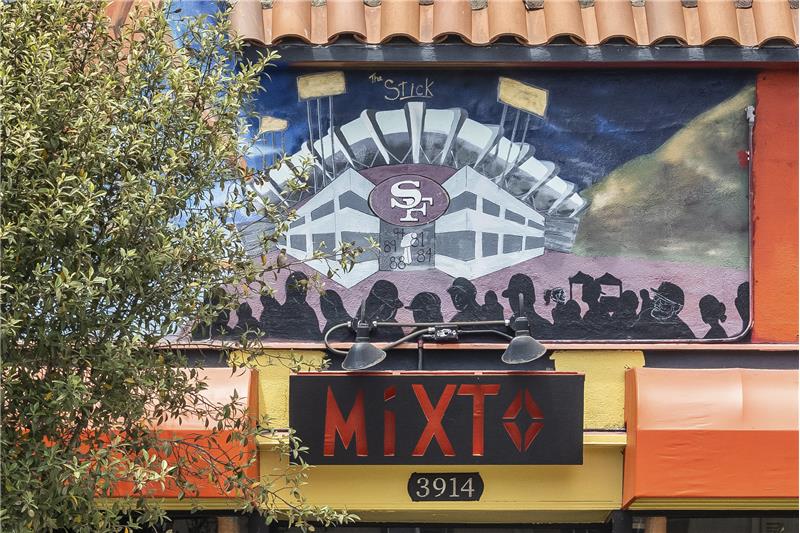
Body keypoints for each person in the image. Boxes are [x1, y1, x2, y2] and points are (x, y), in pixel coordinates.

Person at [631, 282, 695, 340]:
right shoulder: (646, 314)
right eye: (656, 298)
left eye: (663, 301)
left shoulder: (681, 329)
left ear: (676, 307)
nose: (656, 303)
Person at [501, 273, 552, 338]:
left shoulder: (542, 326)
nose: (511, 301)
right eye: (511, 297)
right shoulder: (509, 325)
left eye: (514, 297)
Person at [279, 272, 321, 340]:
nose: (303, 290)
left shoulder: (309, 312)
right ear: (290, 288)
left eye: (305, 287)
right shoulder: (281, 312)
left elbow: (317, 338)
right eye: (300, 286)